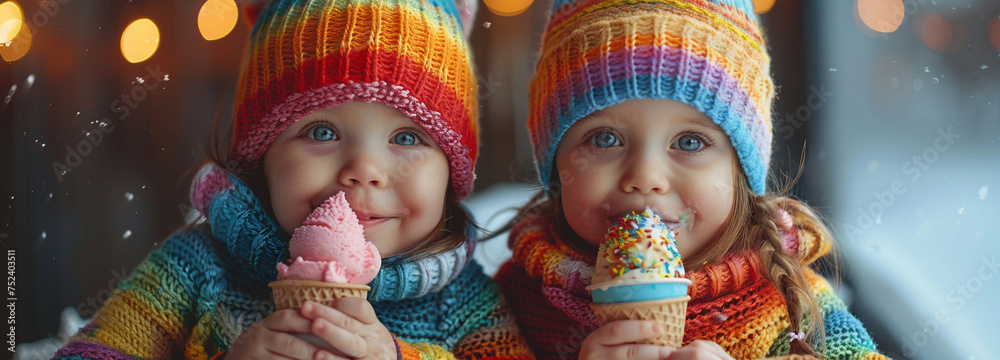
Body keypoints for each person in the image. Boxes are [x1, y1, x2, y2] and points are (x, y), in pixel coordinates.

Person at [53, 0, 533, 359]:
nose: (364, 169)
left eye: (408, 138)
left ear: (452, 173)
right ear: (262, 157)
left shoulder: (466, 301)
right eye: (321, 132)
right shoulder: (197, 268)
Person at [493, 0, 891, 359]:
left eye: (689, 141)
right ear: (554, 165)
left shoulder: (789, 301)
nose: (645, 178)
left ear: (740, 172)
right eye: (604, 138)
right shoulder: (510, 305)